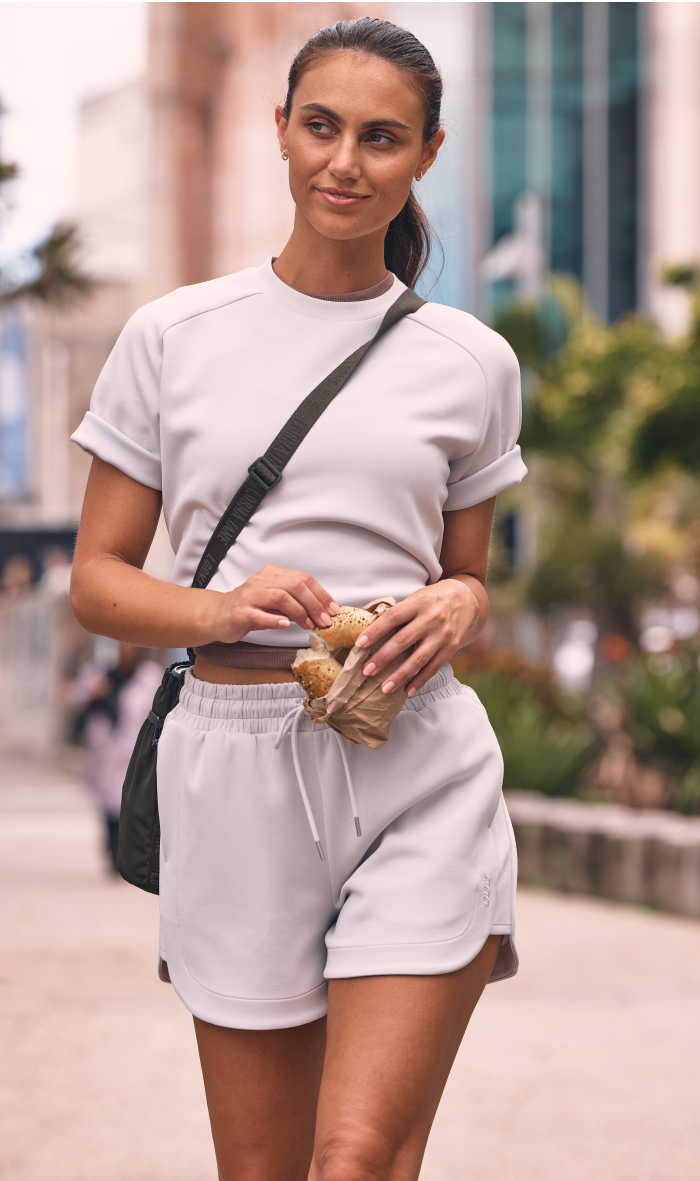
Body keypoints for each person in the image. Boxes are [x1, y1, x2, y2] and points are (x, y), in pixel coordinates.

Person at [70, 17, 527, 1180]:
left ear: (426, 153)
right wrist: (225, 607)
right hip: (232, 767)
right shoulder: (172, 335)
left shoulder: (471, 360)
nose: (344, 161)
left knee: (358, 1153)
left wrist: (462, 606)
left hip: (415, 753)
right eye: (320, 126)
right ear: (280, 130)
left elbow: (467, 569)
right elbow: (99, 583)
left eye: (381, 137)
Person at [73, 642, 163, 870]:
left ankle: (126, 854)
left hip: (135, 753)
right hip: (106, 753)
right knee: (110, 807)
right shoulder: (100, 675)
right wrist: (95, 693)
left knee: (131, 807)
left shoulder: (149, 678)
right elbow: (76, 697)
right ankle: (113, 852)